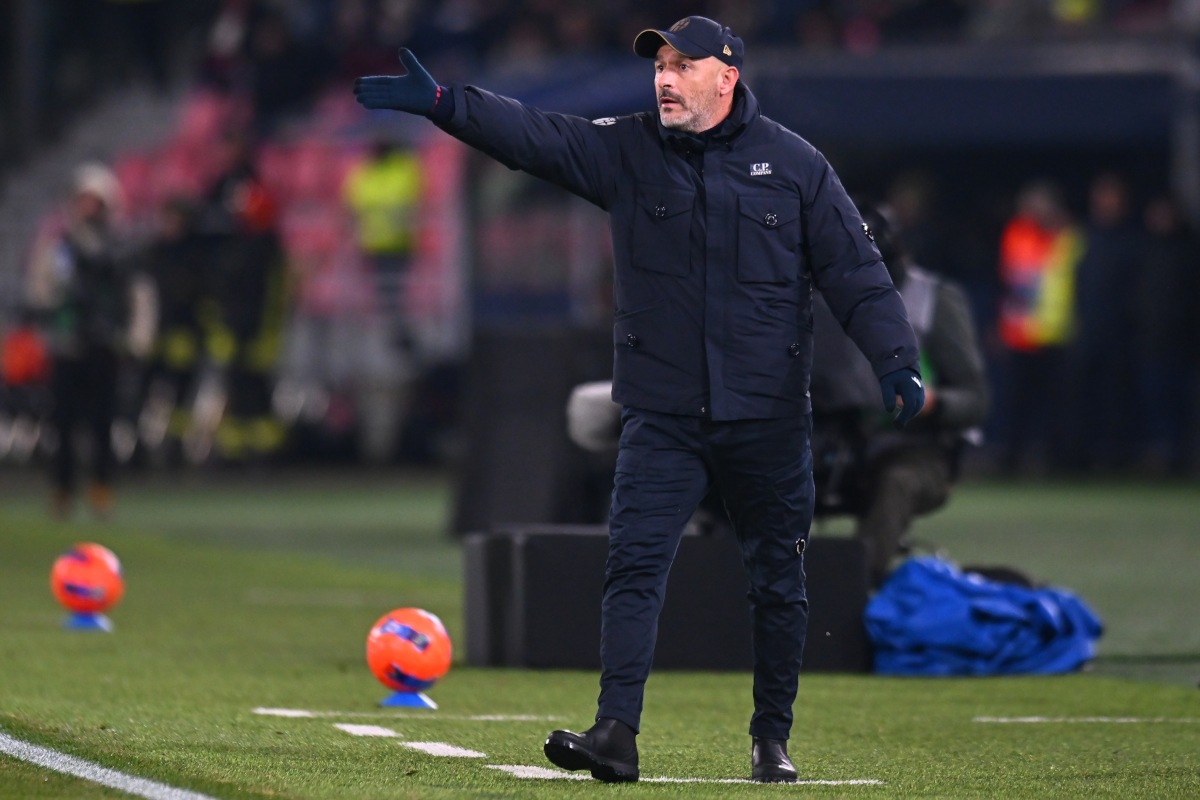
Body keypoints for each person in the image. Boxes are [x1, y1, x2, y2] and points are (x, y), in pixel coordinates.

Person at [355, 16, 923, 783]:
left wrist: (896, 361)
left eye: (681, 65)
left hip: (769, 414)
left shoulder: (794, 164)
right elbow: (536, 137)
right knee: (633, 565)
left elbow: (856, 271)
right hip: (664, 413)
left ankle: (770, 740)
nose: (663, 78)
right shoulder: (628, 149)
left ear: (726, 76)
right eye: (659, 64)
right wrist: (449, 104)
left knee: (779, 581)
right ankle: (615, 734)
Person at [810, 205, 989, 586]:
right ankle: (742, 586)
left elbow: (976, 399)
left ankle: (851, 592)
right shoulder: (812, 299)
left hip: (916, 447)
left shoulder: (933, 300)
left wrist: (936, 403)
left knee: (898, 483)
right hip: (831, 439)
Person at [24, 163, 155, 517]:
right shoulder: (60, 248)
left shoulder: (122, 250)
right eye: (83, 200)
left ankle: (101, 488)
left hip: (105, 346)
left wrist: (137, 339)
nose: (89, 207)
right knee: (62, 423)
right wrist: (47, 324)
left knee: (102, 424)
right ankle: (62, 490)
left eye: (95, 201)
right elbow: (41, 288)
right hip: (67, 345)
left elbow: (140, 296)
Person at [994, 180, 1082, 472]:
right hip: (1021, 335)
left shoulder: (1068, 237)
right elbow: (1010, 281)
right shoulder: (1017, 234)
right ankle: (1012, 460)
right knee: (1018, 406)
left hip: (1057, 334)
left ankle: (1060, 462)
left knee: (1058, 407)